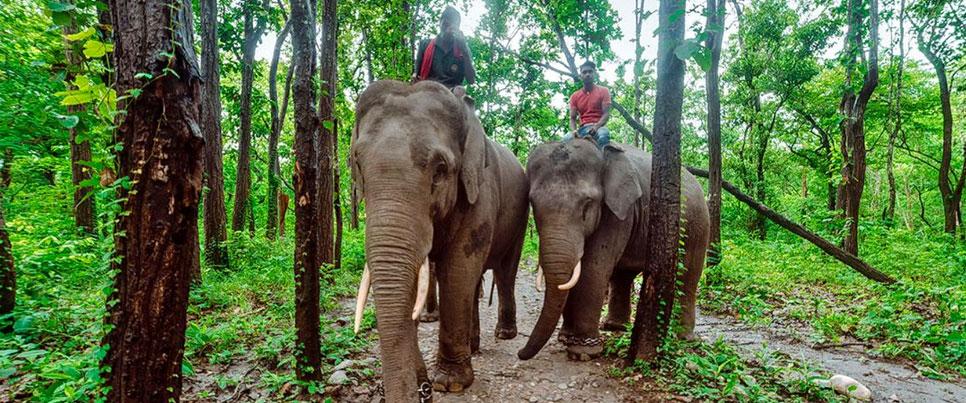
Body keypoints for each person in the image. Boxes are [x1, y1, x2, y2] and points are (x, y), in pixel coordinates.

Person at [412, 6, 476, 89]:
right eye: (445, 24)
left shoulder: (462, 50)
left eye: (452, 26)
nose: (448, 29)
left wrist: (464, 50)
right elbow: (417, 75)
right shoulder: (425, 45)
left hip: (453, 93)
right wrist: (414, 78)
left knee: (460, 91)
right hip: (428, 91)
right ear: (440, 23)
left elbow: (471, 80)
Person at [566, 61, 611, 149]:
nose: (587, 74)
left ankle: (605, 160)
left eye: (590, 72)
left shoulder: (604, 91)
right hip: (582, 129)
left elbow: (606, 114)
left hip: (599, 127)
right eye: (584, 72)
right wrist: (574, 131)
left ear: (594, 74)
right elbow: (572, 118)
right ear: (580, 76)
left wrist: (596, 126)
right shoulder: (575, 96)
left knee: (603, 136)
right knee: (564, 141)